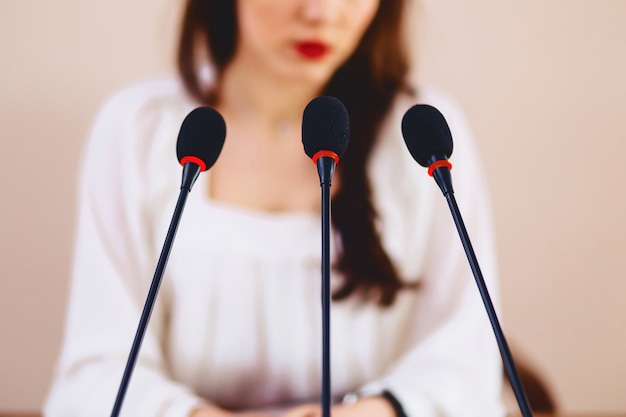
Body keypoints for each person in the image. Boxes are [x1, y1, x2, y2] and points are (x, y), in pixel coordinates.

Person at [45, 0, 505, 416]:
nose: (323, 12)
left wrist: (372, 414)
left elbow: (467, 362)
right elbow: (95, 375)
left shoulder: (423, 136)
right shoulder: (138, 131)